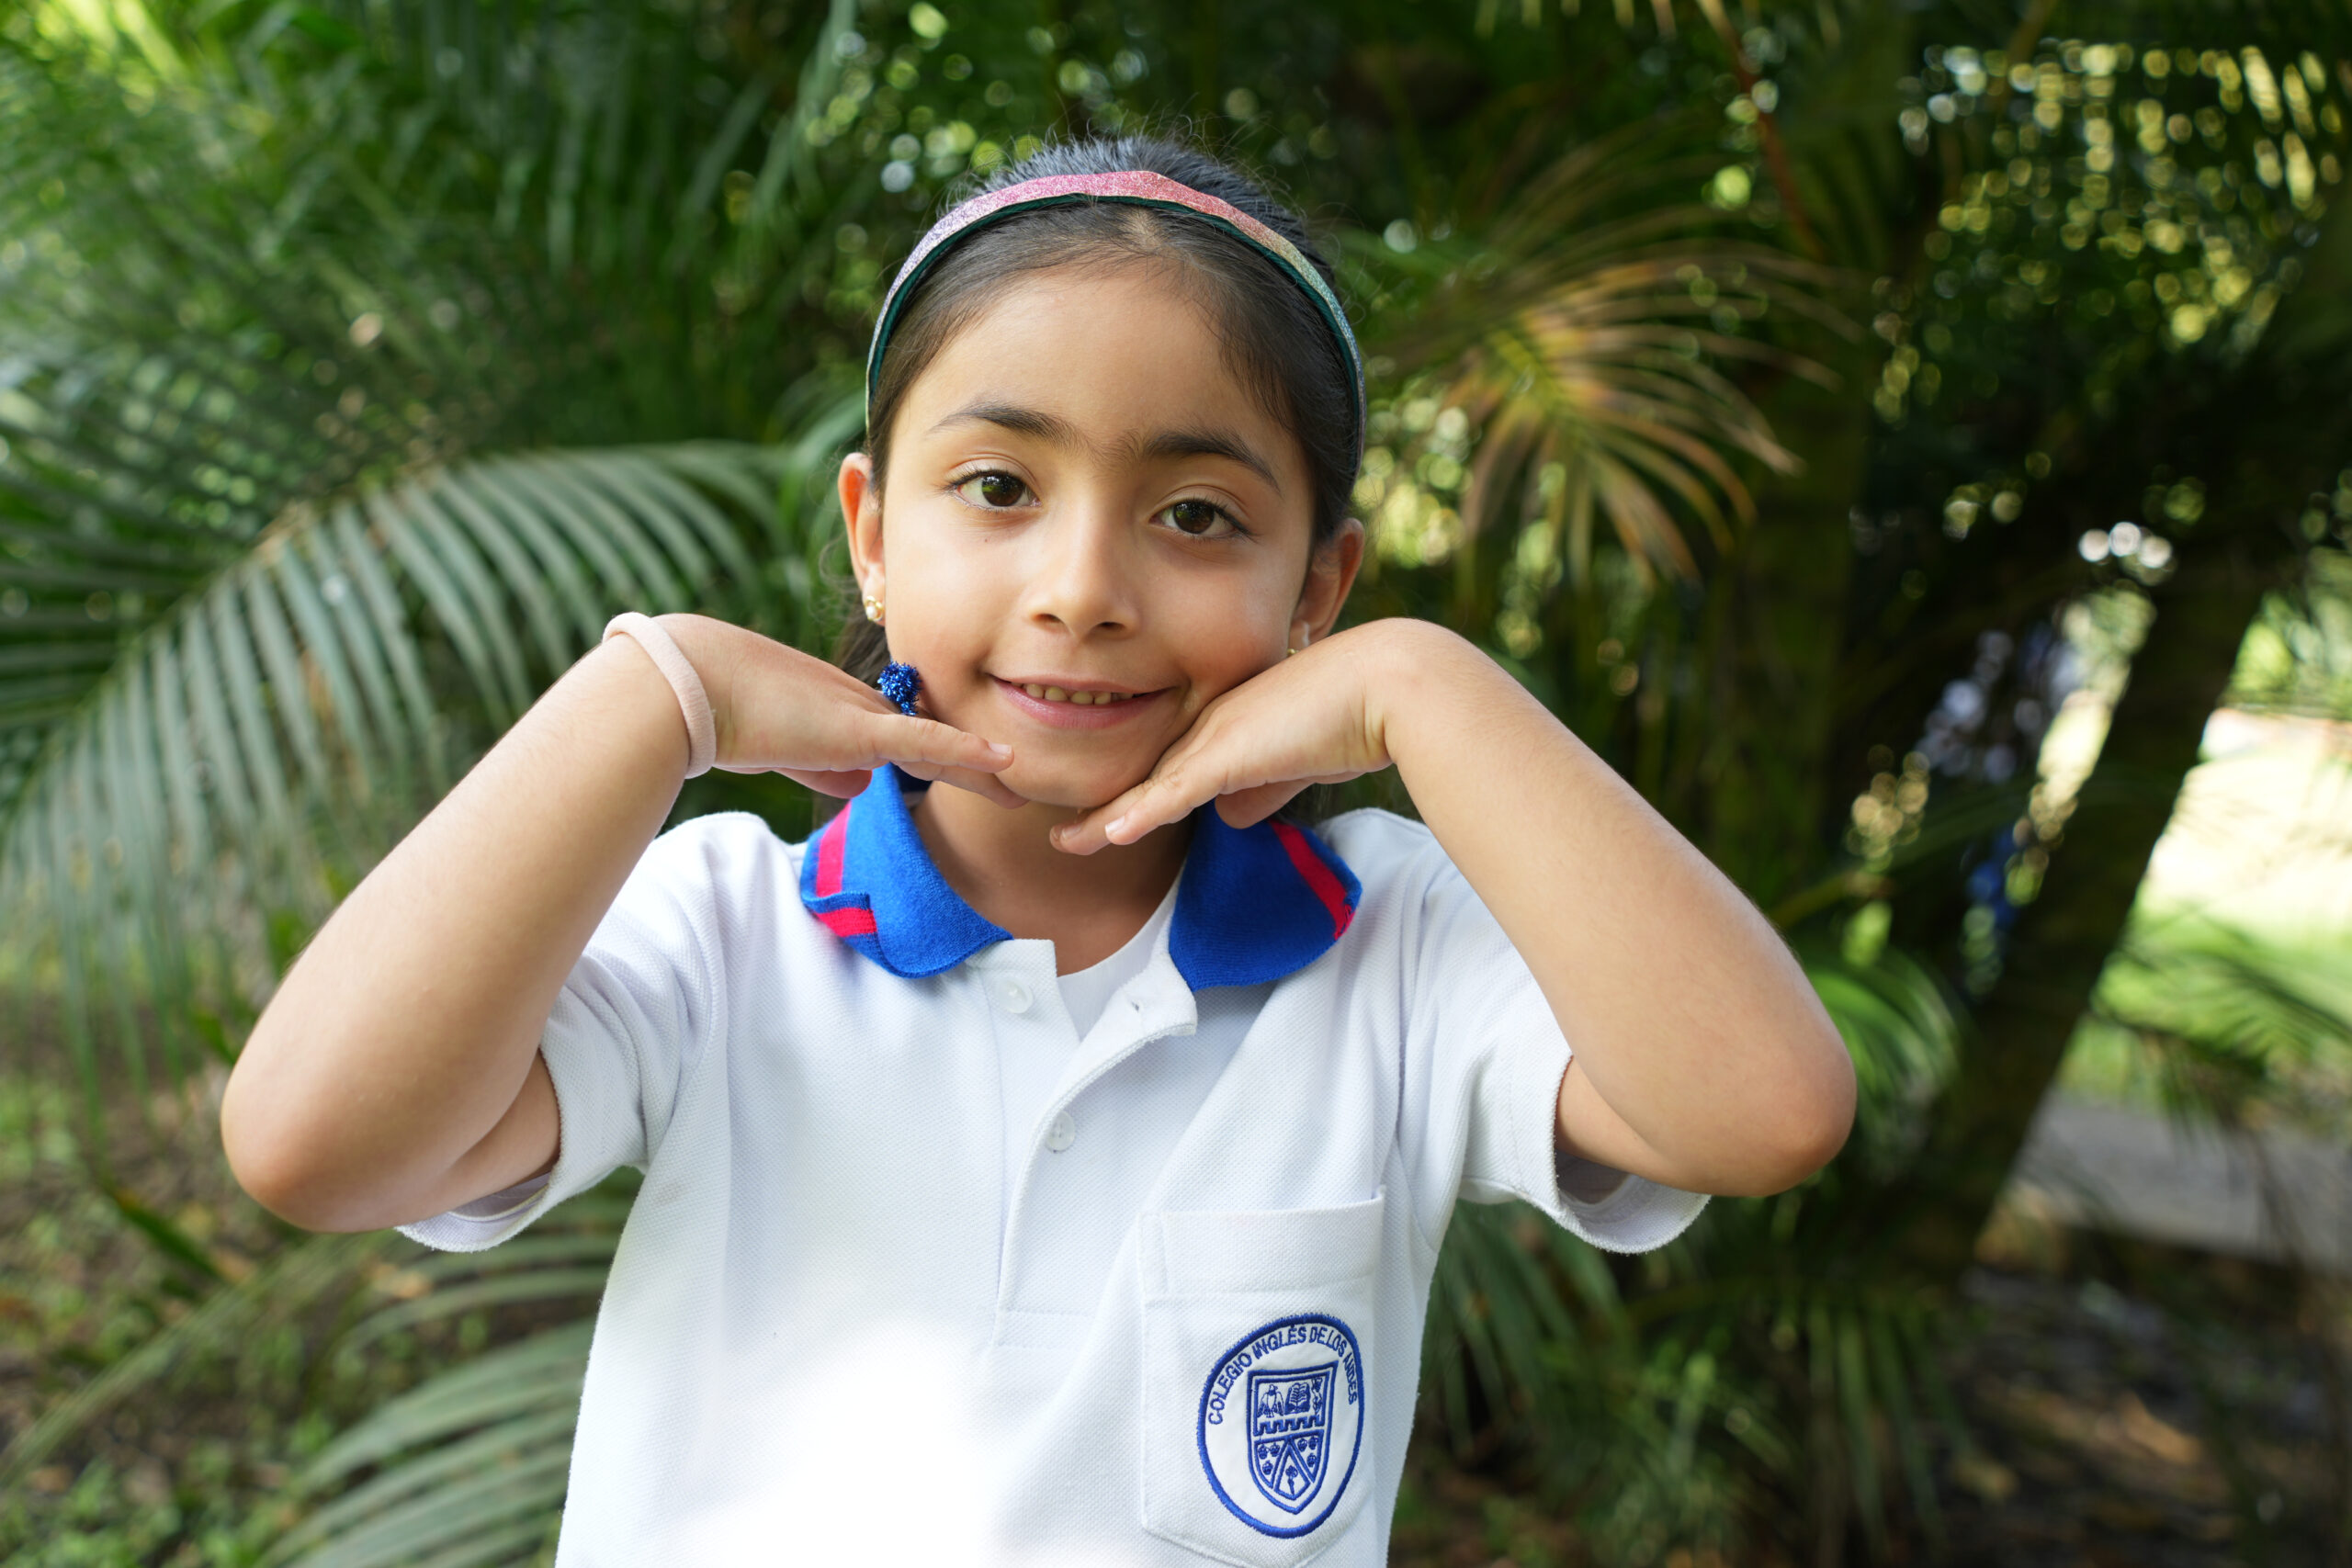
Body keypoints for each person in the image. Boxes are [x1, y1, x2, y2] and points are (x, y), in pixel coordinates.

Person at [220, 134, 1855, 1565]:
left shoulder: (1396, 946)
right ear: (871, 535)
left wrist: (1432, 690)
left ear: (1319, 587)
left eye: (1199, 514)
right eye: (998, 485)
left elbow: (1763, 1108)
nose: (1083, 584)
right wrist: (653, 693)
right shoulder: (723, 928)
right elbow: (318, 1145)